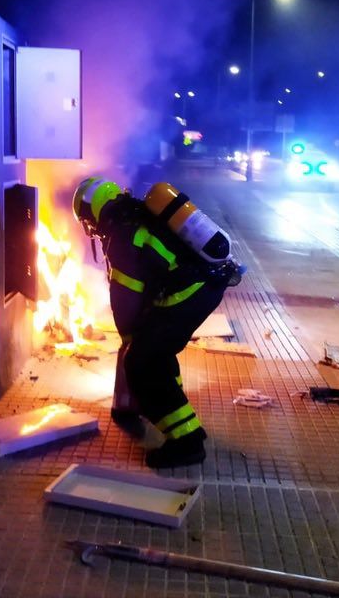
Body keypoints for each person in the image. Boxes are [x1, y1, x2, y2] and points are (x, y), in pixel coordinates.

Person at [72, 176, 241, 469]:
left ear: (94, 211)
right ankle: (176, 415)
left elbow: (125, 299)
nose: (90, 228)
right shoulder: (138, 215)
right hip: (204, 285)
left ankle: (187, 443)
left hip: (189, 293)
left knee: (142, 363)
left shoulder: (121, 237)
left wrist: (129, 342)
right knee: (156, 353)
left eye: (87, 219)